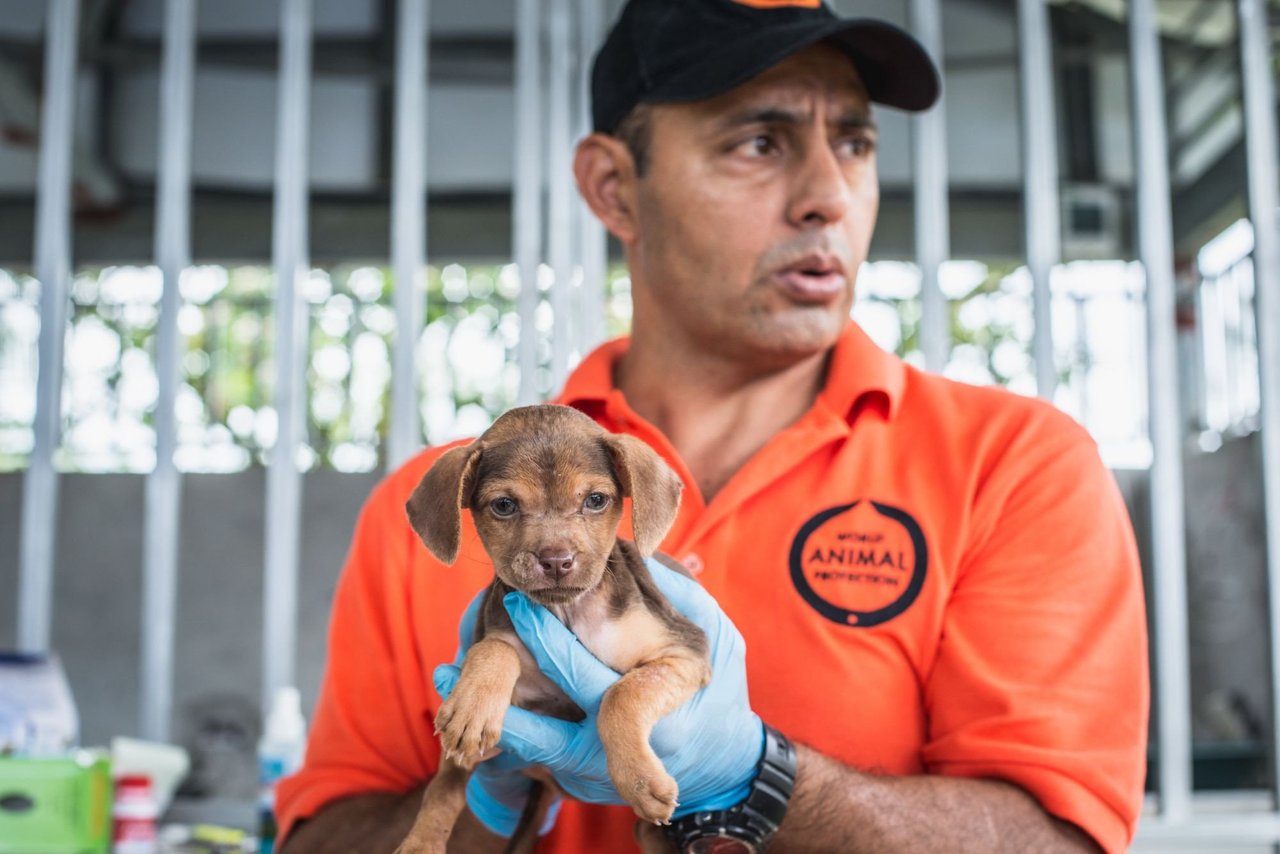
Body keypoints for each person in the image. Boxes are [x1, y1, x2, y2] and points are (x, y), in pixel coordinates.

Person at [277, 1, 1149, 851]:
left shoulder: (1014, 468)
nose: (829, 196)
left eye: (854, 142)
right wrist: (486, 805)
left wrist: (761, 777)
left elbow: (1055, 841)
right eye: (759, 142)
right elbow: (324, 838)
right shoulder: (445, 501)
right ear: (615, 189)